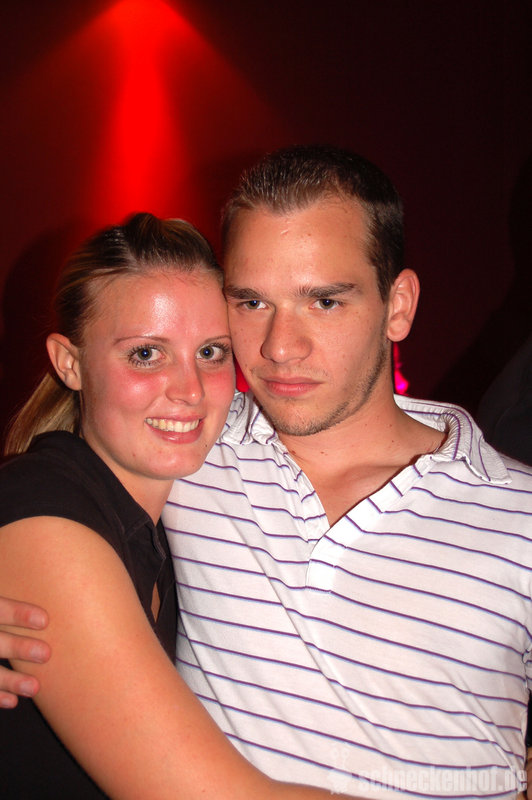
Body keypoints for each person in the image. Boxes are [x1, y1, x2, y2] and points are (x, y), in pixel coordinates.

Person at [2, 145, 532, 798]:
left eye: (324, 301)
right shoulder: (188, 449)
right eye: (251, 303)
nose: (281, 347)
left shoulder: (519, 514)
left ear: (398, 305)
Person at [0, 211, 353, 799]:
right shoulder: (48, 515)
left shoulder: (160, 525)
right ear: (70, 363)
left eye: (211, 352)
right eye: (146, 354)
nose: (190, 390)